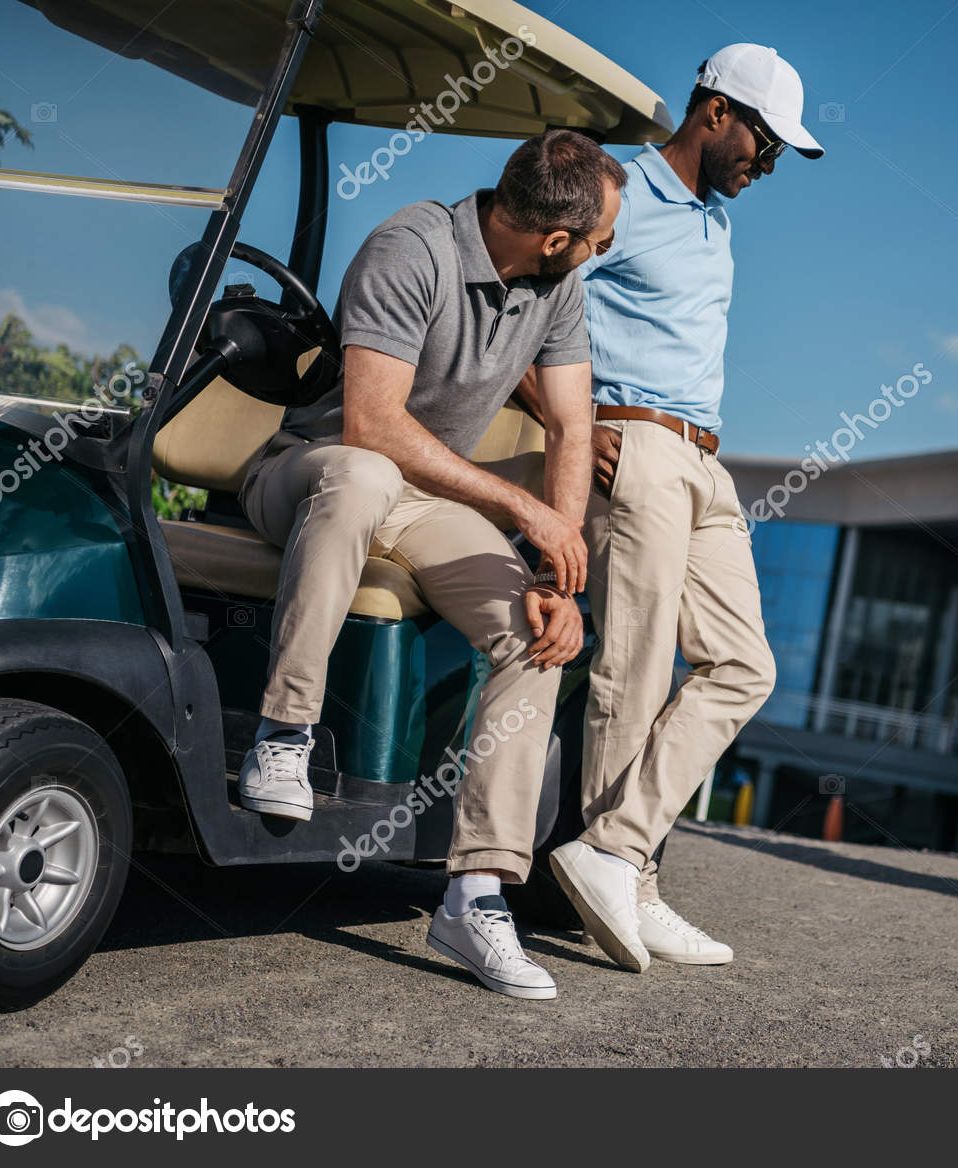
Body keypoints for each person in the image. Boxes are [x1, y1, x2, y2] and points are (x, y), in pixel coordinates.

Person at [236, 130, 627, 1000]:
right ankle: (285, 733)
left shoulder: (557, 292)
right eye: (599, 241)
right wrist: (521, 509)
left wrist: (558, 577)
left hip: (424, 504)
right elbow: (370, 426)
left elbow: (569, 427)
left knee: (537, 636)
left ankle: (475, 894)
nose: (602, 254)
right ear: (556, 238)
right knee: (368, 471)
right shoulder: (410, 247)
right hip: (311, 469)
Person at [514, 44, 824, 971]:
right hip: (632, 444)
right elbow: (528, 309)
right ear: (717, 110)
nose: (765, 168)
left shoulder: (716, 223)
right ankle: (629, 882)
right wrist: (568, 423)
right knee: (637, 673)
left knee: (743, 665)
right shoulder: (621, 195)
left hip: (705, 459)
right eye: (765, 145)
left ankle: (616, 855)